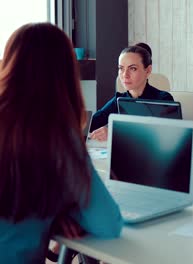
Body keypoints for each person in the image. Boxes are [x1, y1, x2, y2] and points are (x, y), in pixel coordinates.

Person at [0, 23, 123, 263]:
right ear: (65, 74)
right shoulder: (56, 138)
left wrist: (53, 214)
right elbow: (108, 224)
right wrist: (66, 213)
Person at [89, 42, 174, 141]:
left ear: (148, 70)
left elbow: (167, 137)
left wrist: (115, 133)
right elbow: (92, 123)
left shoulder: (163, 99)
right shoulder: (119, 99)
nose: (125, 75)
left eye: (132, 68)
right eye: (121, 68)